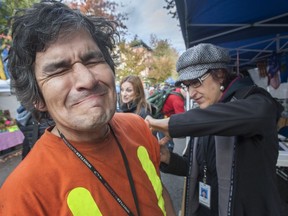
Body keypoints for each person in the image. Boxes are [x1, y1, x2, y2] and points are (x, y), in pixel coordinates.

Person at [0, 2, 176, 215]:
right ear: (37, 98)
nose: (88, 79)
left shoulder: (138, 127)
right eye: (59, 70)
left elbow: (159, 194)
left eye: (93, 60)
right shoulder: (22, 195)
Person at [146, 43, 285, 216]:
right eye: (187, 86)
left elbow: (257, 115)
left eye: (196, 82)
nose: (191, 93)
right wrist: (167, 158)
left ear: (219, 74)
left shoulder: (254, 101)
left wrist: (171, 124)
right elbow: (192, 165)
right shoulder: (205, 115)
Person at [158, 86, 186, 151]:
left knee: (165, 139)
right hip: (163, 118)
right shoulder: (177, 99)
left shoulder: (176, 90)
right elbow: (181, 118)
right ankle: (167, 156)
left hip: (162, 116)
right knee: (167, 141)